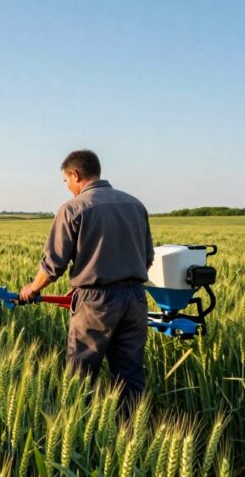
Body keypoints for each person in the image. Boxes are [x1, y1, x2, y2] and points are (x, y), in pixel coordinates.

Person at [18, 149, 154, 402]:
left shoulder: (74, 208)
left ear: (75, 174)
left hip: (96, 302)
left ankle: (82, 433)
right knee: (130, 374)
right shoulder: (135, 204)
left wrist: (32, 289)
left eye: (66, 181)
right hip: (136, 299)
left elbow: (53, 265)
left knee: (80, 376)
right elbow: (148, 258)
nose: (67, 187)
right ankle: (130, 434)